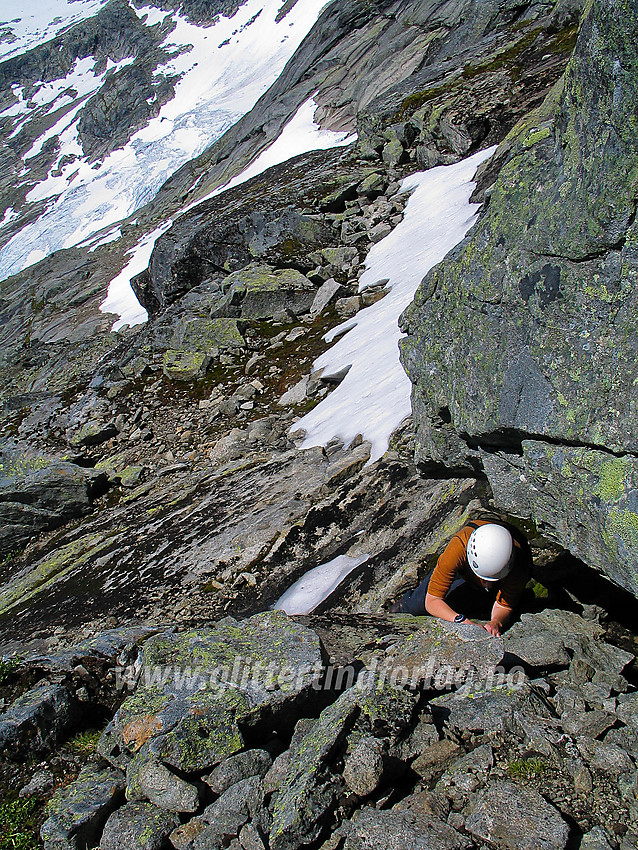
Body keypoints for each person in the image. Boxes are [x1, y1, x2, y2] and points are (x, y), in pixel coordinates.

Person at [390, 519, 532, 636]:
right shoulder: (458, 547)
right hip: (465, 572)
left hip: (494, 585)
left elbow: (504, 605)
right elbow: (432, 600)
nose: (487, 582)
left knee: (470, 606)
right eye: (485, 578)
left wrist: (496, 622)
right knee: (418, 604)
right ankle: (404, 606)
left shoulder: (519, 566)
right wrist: (461, 621)